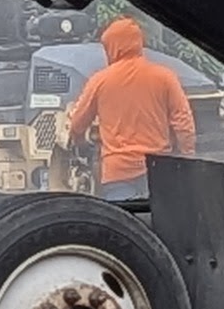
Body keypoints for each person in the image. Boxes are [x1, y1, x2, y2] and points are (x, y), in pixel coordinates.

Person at [59, 15, 198, 189]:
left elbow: (77, 123)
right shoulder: (165, 77)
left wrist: (81, 143)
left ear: (111, 46)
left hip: (118, 174)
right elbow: (183, 121)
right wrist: (187, 157)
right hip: (158, 171)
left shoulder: (99, 81)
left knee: (121, 207)